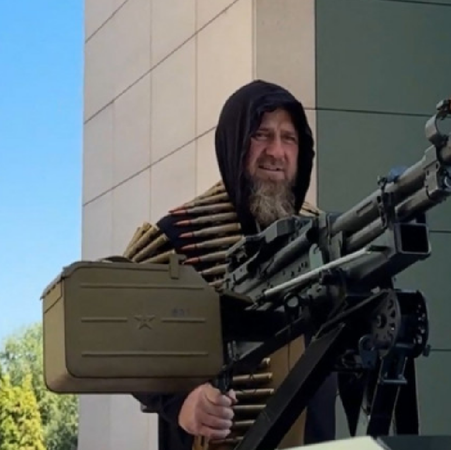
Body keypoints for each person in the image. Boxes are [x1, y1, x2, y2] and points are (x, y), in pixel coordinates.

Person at [124, 80, 338, 450]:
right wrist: (181, 401)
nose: (276, 151)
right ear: (234, 142)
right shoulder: (177, 236)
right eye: (261, 134)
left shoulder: (326, 236)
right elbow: (124, 341)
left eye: (289, 138)